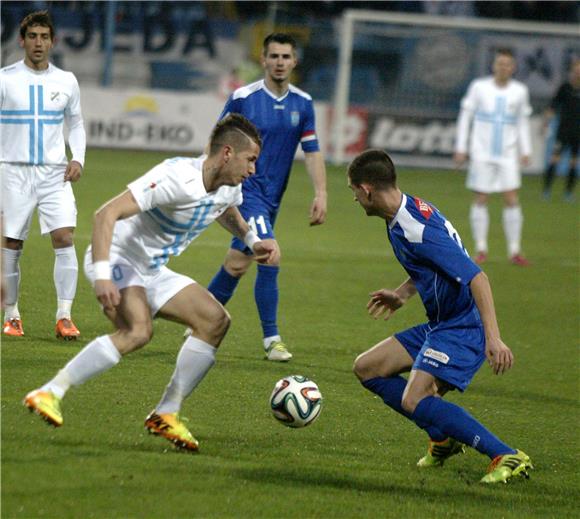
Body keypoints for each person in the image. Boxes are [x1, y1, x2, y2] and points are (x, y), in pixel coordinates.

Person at [24, 114, 279, 452]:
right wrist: (102, 276)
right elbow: (105, 214)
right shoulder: (175, 176)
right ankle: (50, 391)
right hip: (116, 257)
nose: (252, 170)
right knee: (138, 331)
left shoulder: (230, 188)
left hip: (152, 268)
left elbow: (224, 210)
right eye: (251, 160)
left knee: (215, 321)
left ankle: (166, 413)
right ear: (228, 153)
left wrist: (250, 239)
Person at [348, 149, 532, 484]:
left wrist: (492, 337)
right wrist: (401, 294)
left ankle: (506, 454)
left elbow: (478, 277)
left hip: (463, 326)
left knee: (415, 397)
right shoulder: (402, 214)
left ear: (367, 189)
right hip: (442, 324)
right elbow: (431, 264)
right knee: (367, 367)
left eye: (354, 193)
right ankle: (443, 440)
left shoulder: (415, 227)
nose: (355, 200)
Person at [203, 32, 327, 362]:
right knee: (270, 254)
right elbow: (218, 141)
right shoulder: (243, 98)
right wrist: (213, 180)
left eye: (286, 57)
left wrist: (321, 192)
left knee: (237, 264)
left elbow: (312, 152)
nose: (280, 62)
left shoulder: (303, 103)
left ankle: (197, 316)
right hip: (246, 191)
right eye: (274, 56)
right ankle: (272, 339)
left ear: (294, 61)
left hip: (273, 197)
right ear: (263, 60)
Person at [1, 10, 86, 339]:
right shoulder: (5, 78)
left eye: (44, 37)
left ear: (53, 41)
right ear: (22, 41)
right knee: (10, 243)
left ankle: (64, 316)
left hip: (54, 174)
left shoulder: (66, 81)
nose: (38, 42)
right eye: (32, 36)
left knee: (64, 237)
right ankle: (12, 315)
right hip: (13, 172)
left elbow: (76, 123)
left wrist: (77, 158)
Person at [454, 48, 532, 267]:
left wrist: (525, 150)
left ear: (513, 67)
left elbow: (522, 122)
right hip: (482, 153)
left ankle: (515, 250)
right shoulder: (479, 87)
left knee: (511, 198)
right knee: (481, 197)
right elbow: (465, 116)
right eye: (500, 63)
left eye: (507, 64)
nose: (503, 67)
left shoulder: (519, 91)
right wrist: (461, 146)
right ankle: (481, 248)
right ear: (493, 65)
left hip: (507, 154)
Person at [542, 58, 580, 201]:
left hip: (577, 133)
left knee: (574, 163)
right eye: (576, 71)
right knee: (554, 160)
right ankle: (546, 190)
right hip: (563, 131)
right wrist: (546, 121)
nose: (578, 74)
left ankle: (568, 193)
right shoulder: (564, 88)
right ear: (572, 72)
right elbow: (553, 106)